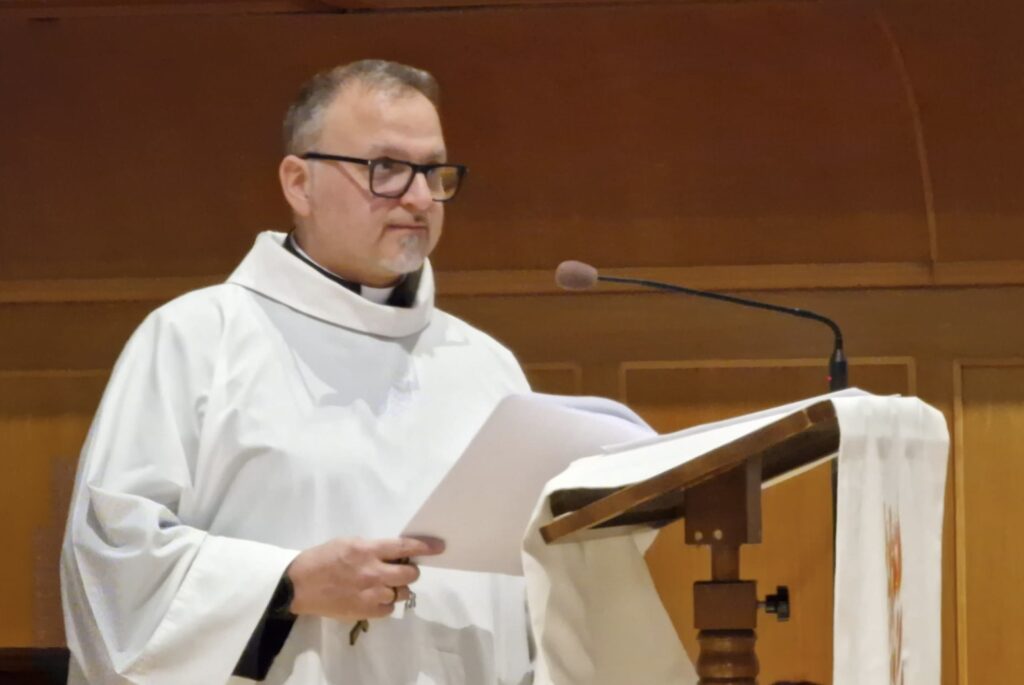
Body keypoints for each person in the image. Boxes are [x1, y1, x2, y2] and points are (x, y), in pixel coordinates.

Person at [60, 60, 533, 685]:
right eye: (386, 168)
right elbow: (112, 562)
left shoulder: (486, 367)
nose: (420, 198)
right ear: (299, 183)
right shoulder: (197, 340)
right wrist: (287, 585)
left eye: (433, 171)